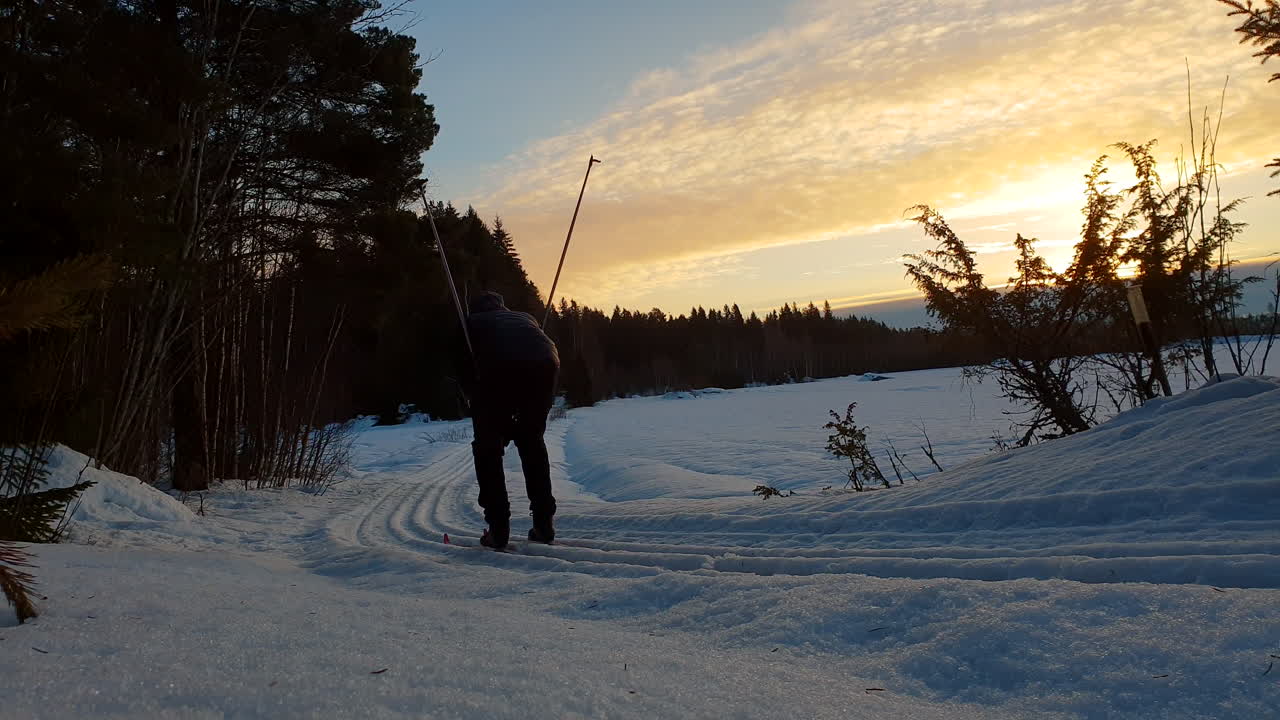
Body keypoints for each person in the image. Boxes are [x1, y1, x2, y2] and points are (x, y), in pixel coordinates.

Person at [456, 291, 560, 549]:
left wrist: (473, 397)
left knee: (488, 451)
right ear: (503, 306)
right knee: (532, 443)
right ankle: (544, 525)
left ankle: (498, 528)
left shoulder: (469, 324)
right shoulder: (525, 317)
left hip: (496, 373)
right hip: (546, 367)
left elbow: (459, 365)